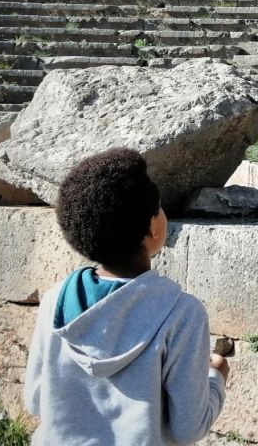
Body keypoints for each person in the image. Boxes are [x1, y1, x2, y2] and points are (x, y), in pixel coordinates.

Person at [23, 148, 228, 445]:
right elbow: (189, 428)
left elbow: (35, 399)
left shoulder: (55, 302)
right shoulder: (182, 315)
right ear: (152, 227)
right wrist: (216, 376)